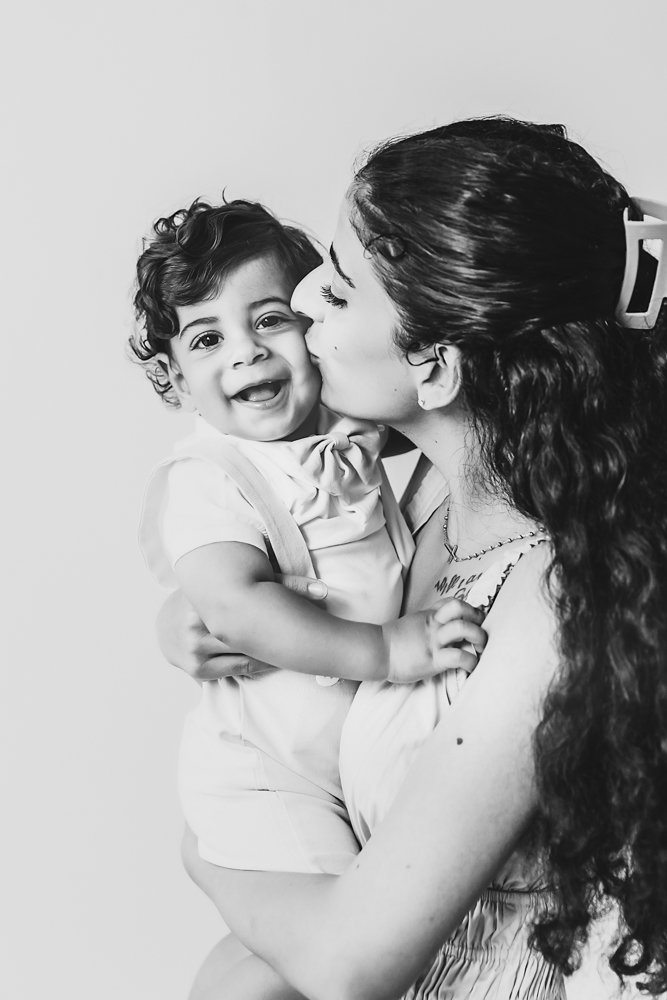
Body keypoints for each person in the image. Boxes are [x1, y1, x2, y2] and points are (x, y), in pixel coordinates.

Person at [158, 119, 667, 999]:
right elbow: (257, 524)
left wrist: (204, 858)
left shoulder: (546, 605)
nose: (304, 299)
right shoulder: (433, 495)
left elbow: (351, 964)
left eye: (343, 290)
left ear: (433, 366)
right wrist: (193, 611)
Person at [132, 200, 487, 883]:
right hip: (268, 772)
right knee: (330, 935)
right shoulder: (208, 478)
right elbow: (233, 607)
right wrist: (384, 649)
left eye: (269, 320)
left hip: (341, 760)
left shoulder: (350, 430)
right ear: (177, 381)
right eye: (207, 340)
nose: (246, 350)